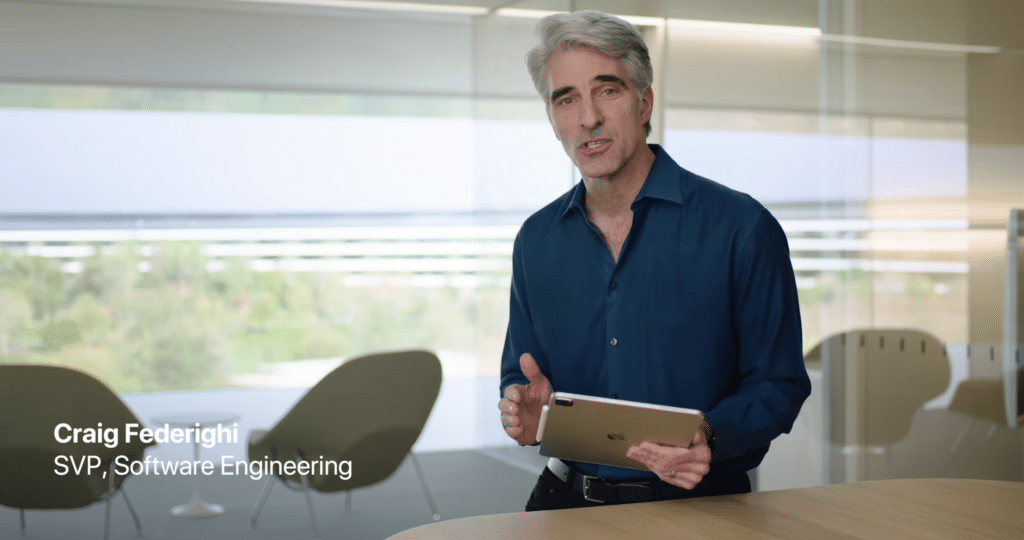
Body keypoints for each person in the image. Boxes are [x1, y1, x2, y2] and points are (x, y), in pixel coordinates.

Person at [498, 11, 811, 511]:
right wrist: (526, 412)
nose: (588, 118)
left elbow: (780, 383)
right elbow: (523, 374)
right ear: (553, 119)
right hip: (564, 505)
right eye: (567, 99)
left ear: (644, 102)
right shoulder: (536, 239)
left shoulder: (742, 227)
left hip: (701, 509)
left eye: (608, 91)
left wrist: (708, 434)